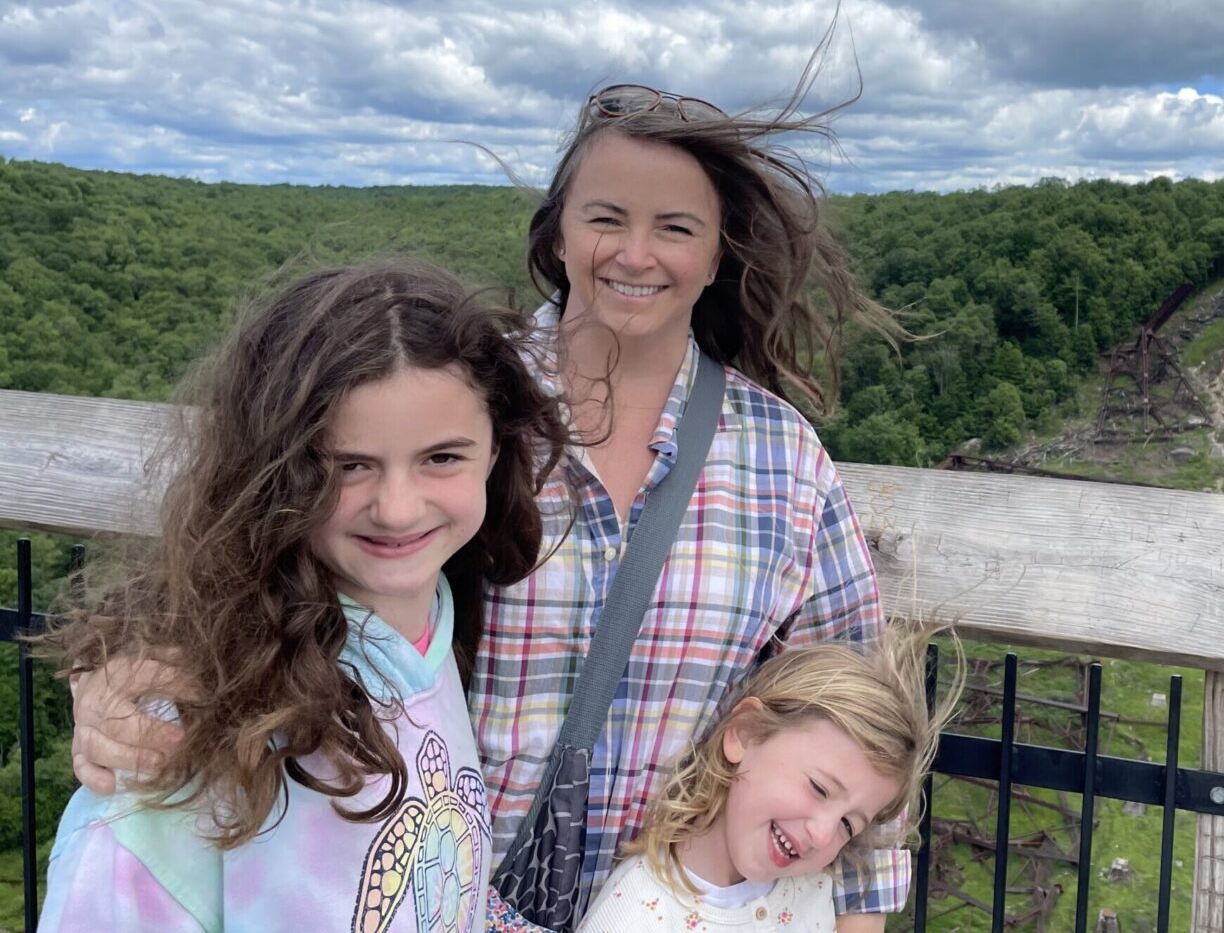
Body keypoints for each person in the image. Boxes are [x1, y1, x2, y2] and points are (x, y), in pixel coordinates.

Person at [71, 72, 907, 931]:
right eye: (606, 217)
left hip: (656, 908)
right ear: (558, 231)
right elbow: (262, 557)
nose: (635, 253)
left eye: (676, 228)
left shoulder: (783, 463)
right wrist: (130, 682)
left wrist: (857, 918)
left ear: (720, 251)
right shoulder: (464, 405)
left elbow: (860, 727)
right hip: (423, 894)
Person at [42, 260, 568, 931]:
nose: (399, 510)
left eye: (442, 458)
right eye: (348, 466)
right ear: (272, 474)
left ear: (495, 454)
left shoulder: (432, 616)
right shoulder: (189, 721)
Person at [576, 630, 951, 933]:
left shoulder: (815, 891)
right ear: (745, 732)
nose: (822, 835)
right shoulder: (635, 911)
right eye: (819, 788)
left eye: (847, 824)